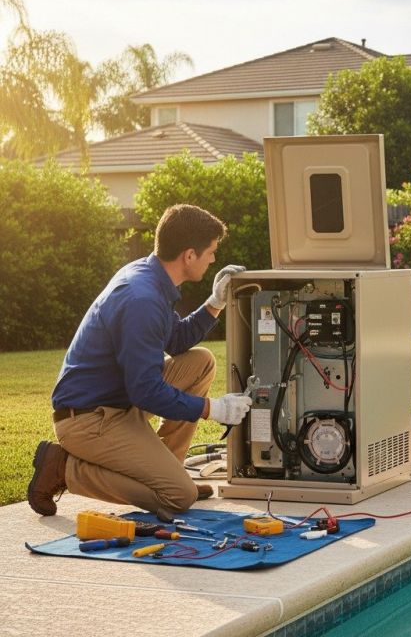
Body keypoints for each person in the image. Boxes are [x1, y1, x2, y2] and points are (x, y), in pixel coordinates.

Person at [27, 204, 252, 517]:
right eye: (211, 252)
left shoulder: (150, 278)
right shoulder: (142, 299)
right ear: (189, 255)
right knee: (178, 497)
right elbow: (146, 390)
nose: (213, 259)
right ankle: (63, 468)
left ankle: (167, 469)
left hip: (116, 403)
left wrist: (215, 303)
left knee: (200, 361)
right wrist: (214, 409)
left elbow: (176, 341)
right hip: (89, 420)